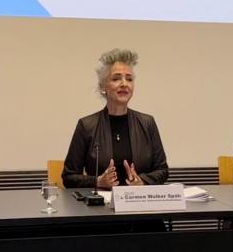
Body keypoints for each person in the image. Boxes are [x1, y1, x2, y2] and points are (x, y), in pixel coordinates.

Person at [62, 49, 168, 189]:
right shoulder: (86, 125)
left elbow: (163, 170)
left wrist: (142, 181)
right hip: (100, 208)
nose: (124, 84)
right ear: (103, 87)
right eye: (116, 78)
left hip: (139, 205)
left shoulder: (147, 123)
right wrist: (97, 181)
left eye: (129, 79)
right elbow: (68, 177)